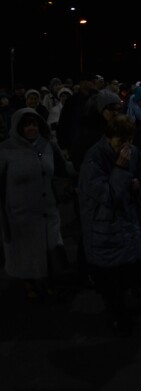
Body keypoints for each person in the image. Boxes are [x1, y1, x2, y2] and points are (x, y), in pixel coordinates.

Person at [77, 114, 141, 337]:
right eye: (120, 142)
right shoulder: (93, 160)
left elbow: (139, 177)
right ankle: (118, 318)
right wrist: (121, 169)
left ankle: (124, 311)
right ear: (109, 139)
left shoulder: (133, 154)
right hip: (103, 228)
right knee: (110, 281)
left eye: (129, 142)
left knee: (126, 275)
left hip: (125, 226)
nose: (125, 148)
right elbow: (108, 196)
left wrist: (137, 185)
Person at [0, 108, 67, 301]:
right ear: (18, 128)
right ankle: (29, 282)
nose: (31, 128)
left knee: (49, 250)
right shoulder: (5, 150)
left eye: (34, 124)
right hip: (20, 215)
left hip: (47, 211)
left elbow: (63, 170)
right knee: (26, 254)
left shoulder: (47, 146)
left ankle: (47, 283)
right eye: (27, 125)